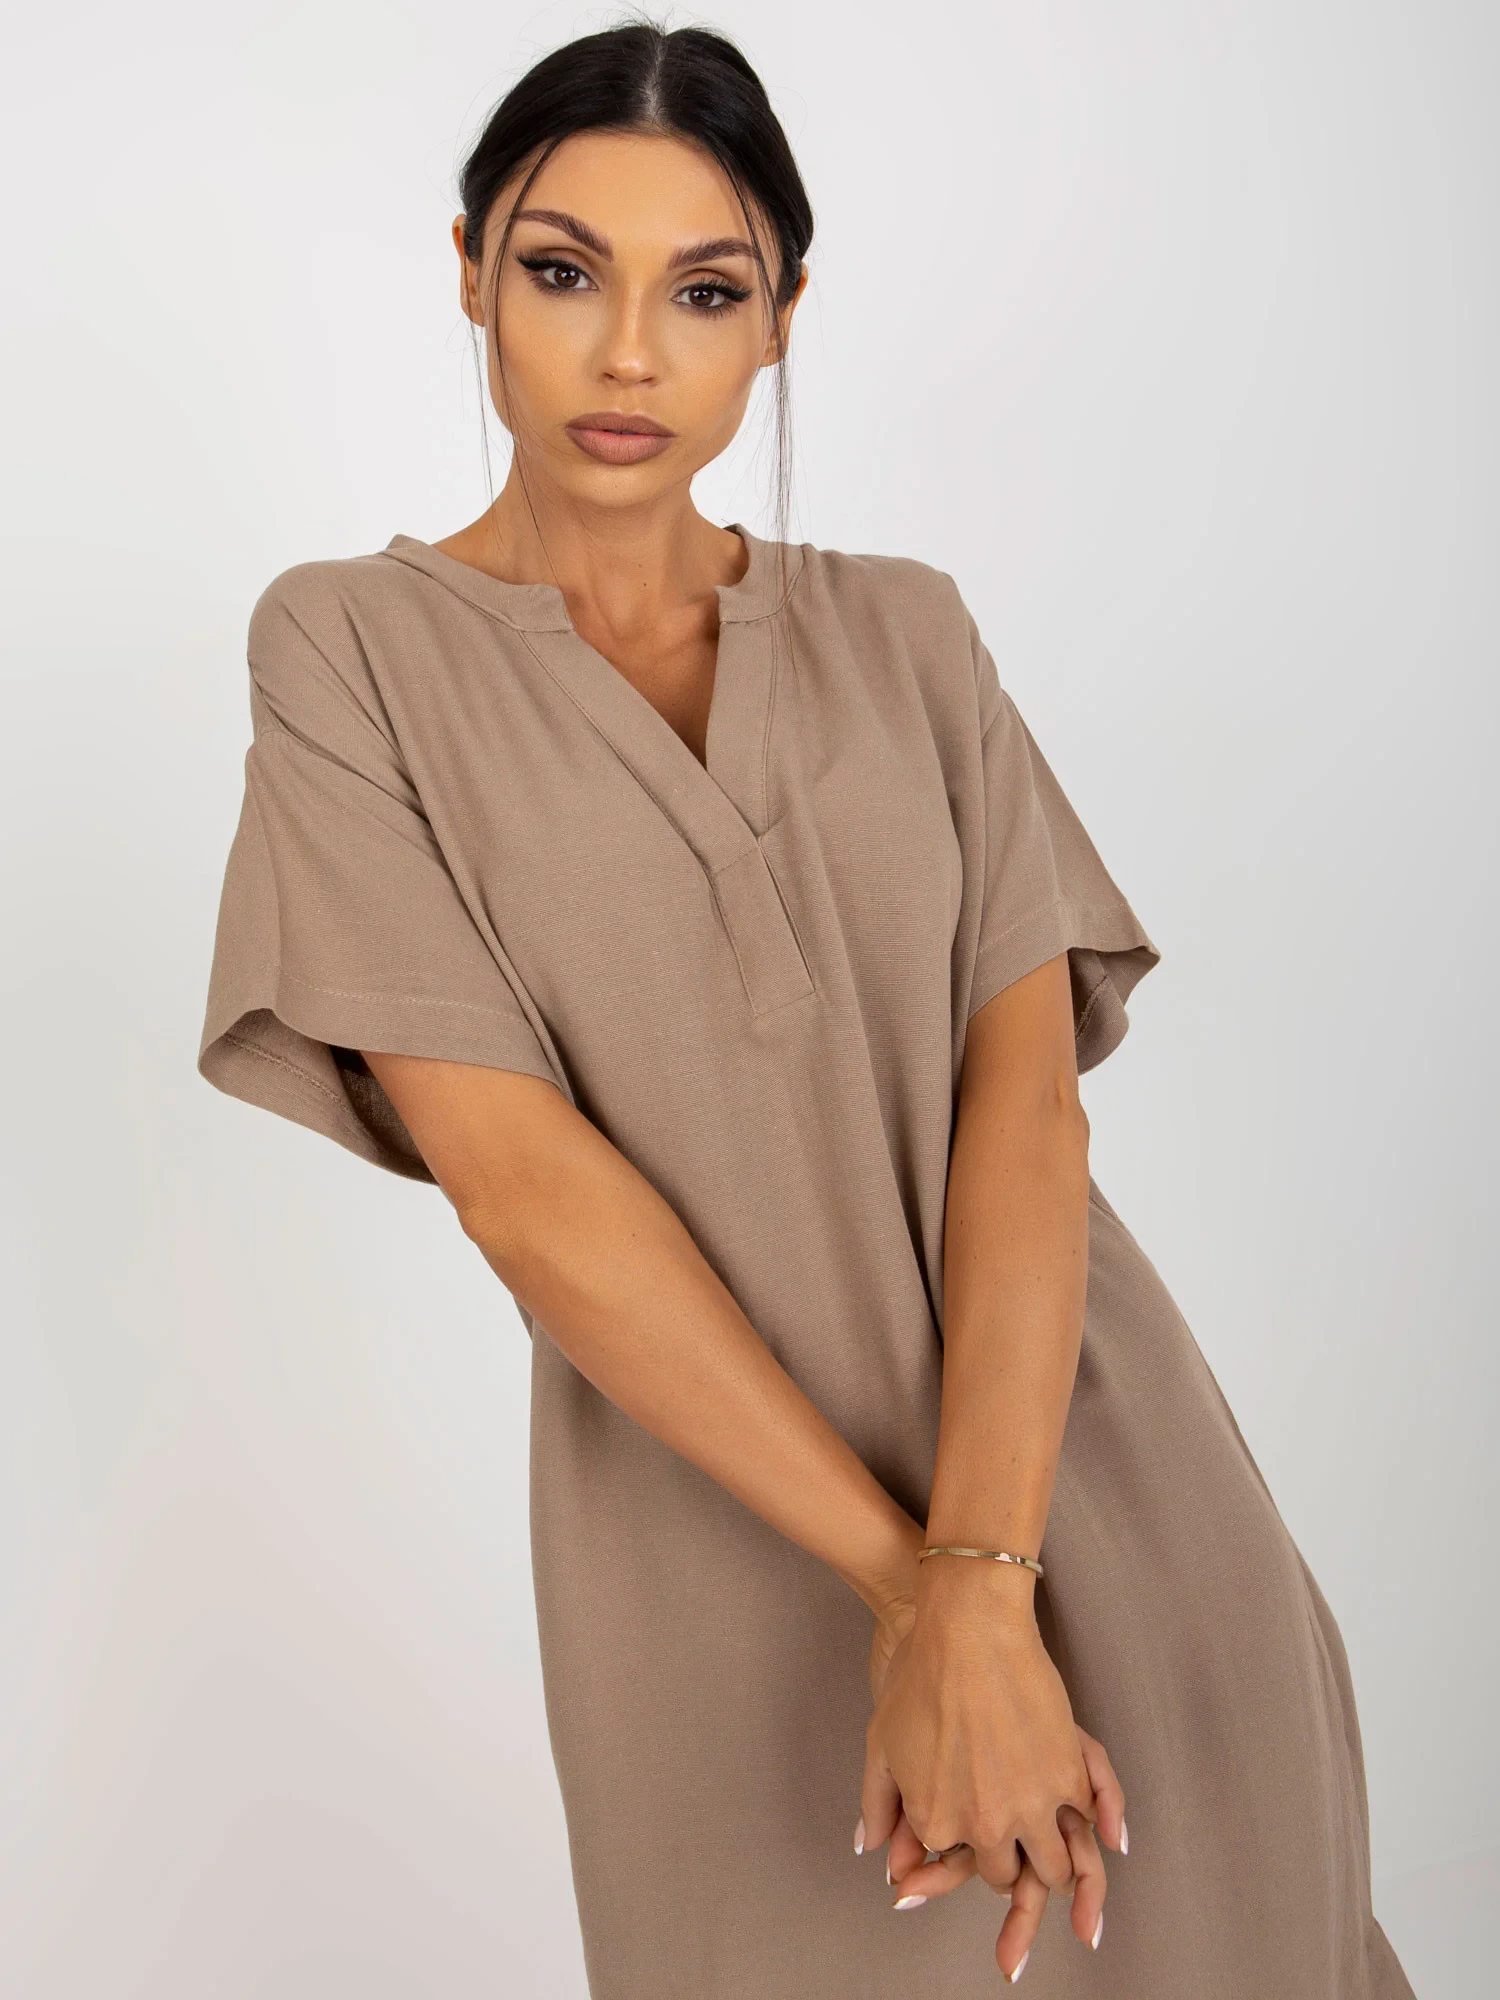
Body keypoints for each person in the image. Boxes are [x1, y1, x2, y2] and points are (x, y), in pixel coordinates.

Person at [196, 21, 1416, 1999]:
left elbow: (1026, 1114)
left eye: (706, 291)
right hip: (721, 1587)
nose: (628, 354)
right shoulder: (350, 652)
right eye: (564, 270)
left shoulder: (908, 632)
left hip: (1101, 1495)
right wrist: (918, 1601)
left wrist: (986, 1578)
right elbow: (521, 1189)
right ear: (471, 272)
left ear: (781, 319)